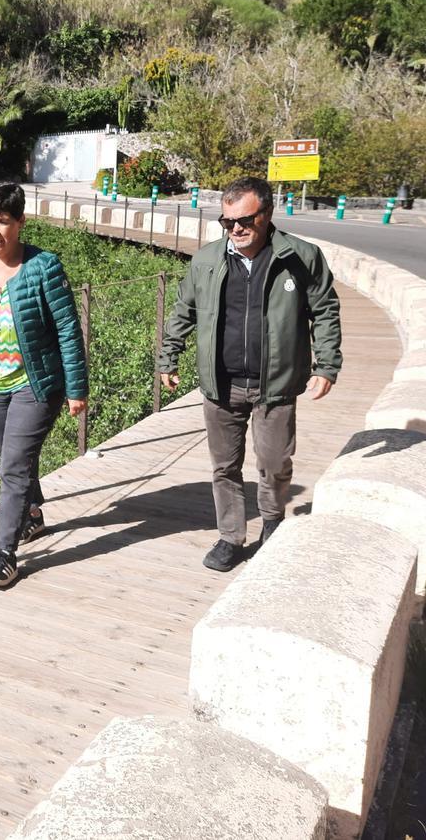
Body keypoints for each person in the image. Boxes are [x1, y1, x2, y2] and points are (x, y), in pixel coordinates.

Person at [158, 176, 342, 572]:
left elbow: (325, 310)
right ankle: (230, 537)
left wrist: (327, 365)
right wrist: (167, 357)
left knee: (274, 464)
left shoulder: (300, 257)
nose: (236, 229)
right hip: (220, 383)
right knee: (224, 467)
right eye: (227, 222)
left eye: (245, 220)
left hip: (275, 383)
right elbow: (183, 311)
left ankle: (272, 523)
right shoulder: (207, 260)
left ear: (268, 214)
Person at [0, 183, 88, 588]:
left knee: (12, 467)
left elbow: (67, 328)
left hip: (36, 383)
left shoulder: (43, 266)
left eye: (3, 222)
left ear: (21, 223)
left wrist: (76, 387)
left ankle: (4, 555)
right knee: (12, 458)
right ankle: (32, 516)